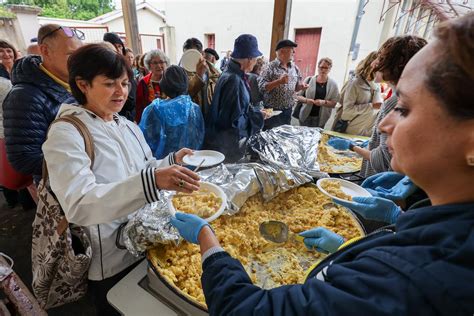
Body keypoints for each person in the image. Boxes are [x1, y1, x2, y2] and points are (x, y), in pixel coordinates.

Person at [170, 13, 474, 315]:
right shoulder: (442, 232)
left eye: (404, 108)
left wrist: (207, 240)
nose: (384, 124)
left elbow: (245, 309)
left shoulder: (415, 278)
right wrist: (357, 241)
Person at [42, 44, 200, 315]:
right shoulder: (67, 134)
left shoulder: (124, 125)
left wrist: (172, 162)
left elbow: (144, 166)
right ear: (83, 85)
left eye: (125, 83)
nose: (121, 92)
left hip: (144, 242)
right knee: (117, 305)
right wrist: (153, 180)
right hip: (109, 260)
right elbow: (79, 204)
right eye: (110, 83)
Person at [328, 36, 427, 177]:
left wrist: (352, 146)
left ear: (398, 64)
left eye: (380, 58)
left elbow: (383, 161)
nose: (374, 63)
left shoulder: (394, 102)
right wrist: (372, 143)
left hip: (376, 178)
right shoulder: (415, 96)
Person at [3, 24, 83, 183]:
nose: (79, 62)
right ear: (45, 51)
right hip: (62, 185)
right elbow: (23, 158)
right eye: (71, 54)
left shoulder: (74, 82)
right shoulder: (24, 96)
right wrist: (83, 160)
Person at [204, 34, 264, 162]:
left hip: (222, 141)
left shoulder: (229, 74)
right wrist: (258, 117)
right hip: (227, 145)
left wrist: (254, 112)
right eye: (255, 59)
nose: (255, 63)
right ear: (249, 59)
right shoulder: (234, 80)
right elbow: (233, 122)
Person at [139, 65, 205, 159]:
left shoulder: (153, 110)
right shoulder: (194, 109)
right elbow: (199, 139)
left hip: (162, 168)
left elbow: (144, 144)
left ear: (164, 85)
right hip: (191, 164)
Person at [258, 39, 309, 129]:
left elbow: (296, 88)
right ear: (282, 51)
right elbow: (261, 87)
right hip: (271, 110)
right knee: (270, 136)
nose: (294, 52)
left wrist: (301, 87)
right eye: (291, 50)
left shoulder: (295, 68)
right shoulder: (269, 67)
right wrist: (279, 82)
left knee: (284, 135)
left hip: (288, 110)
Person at [339, 51, 382, 136]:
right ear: (372, 64)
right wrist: (371, 106)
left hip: (368, 132)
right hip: (351, 130)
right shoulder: (355, 83)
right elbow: (347, 110)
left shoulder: (377, 84)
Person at [181, 38, 220, 122]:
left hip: (210, 118)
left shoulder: (213, 71)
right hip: (191, 120)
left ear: (202, 54)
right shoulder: (178, 73)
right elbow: (182, 97)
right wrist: (199, 76)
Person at [296, 57, 340, 127]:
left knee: (317, 137)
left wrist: (323, 102)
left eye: (326, 68)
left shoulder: (333, 84)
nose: (323, 70)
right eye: (321, 67)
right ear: (318, 67)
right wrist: (306, 100)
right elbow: (298, 96)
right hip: (305, 116)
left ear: (330, 69)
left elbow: (334, 103)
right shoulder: (308, 80)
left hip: (321, 119)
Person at [135, 49, 169, 123]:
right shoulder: (143, 83)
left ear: (166, 63)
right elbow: (139, 107)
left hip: (169, 122)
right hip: (150, 123)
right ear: (149, 65)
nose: (159, 66)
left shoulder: (170, 80)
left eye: (161, 62)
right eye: (155, 63)